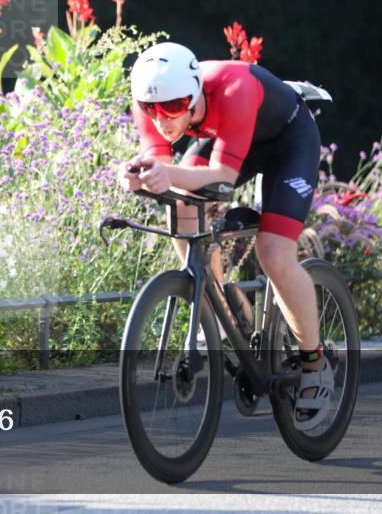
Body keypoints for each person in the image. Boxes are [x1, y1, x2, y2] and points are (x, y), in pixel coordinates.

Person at [118, 41, 332, 431]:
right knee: (180, 205)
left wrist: (164, 175)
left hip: (287, 142)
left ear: (196, 92)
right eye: (152, 109)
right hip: (231, 139)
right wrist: (139, 175)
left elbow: (223, 178)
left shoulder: (233, 89)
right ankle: (212, 304)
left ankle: (314, 363)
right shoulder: (150, 100)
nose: (162, 118)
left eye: (174, 106)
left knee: (275, 254)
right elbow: (163, 167)